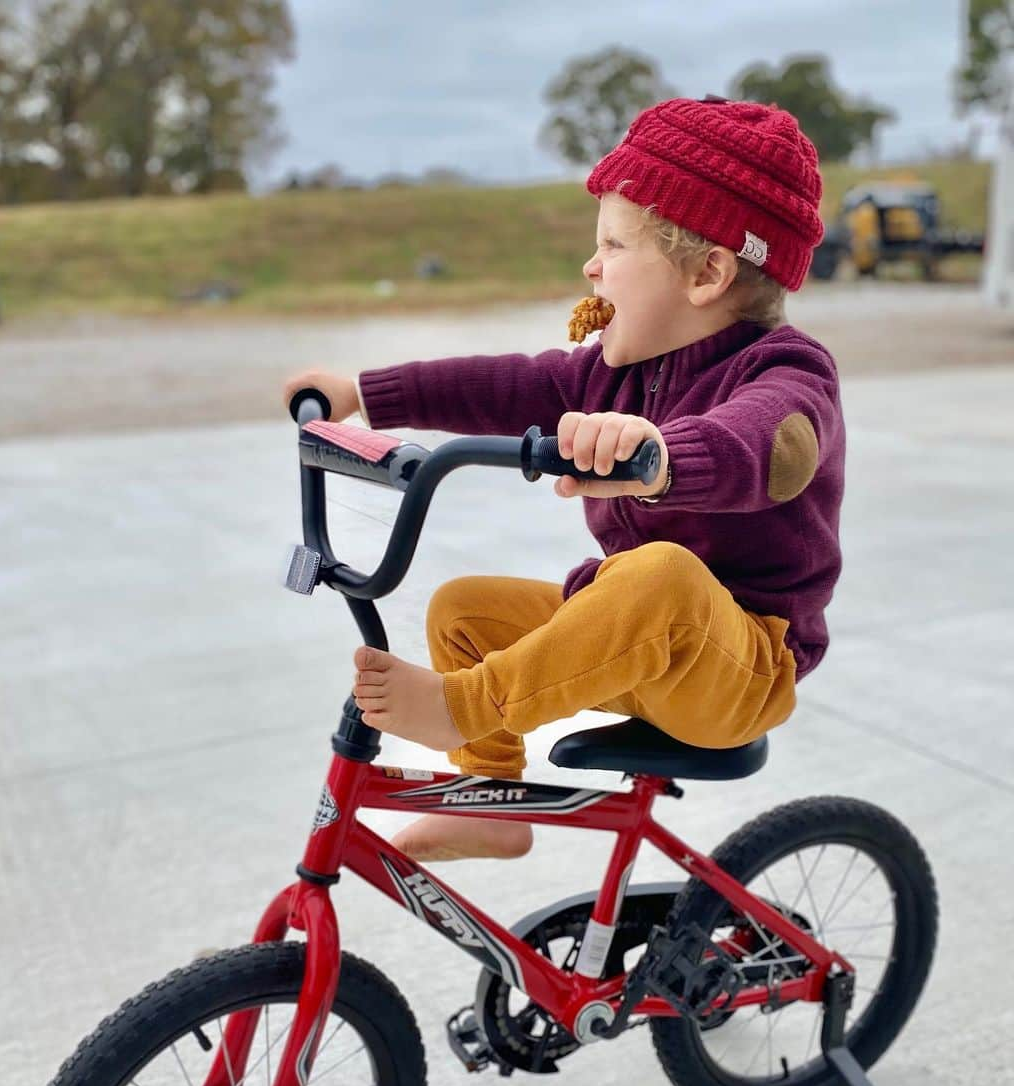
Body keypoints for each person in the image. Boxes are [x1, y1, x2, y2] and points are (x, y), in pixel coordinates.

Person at [282, 97, 845, 863]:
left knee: (661, 576)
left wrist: (661, 455)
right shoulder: (615, 372)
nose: (591, 266)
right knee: (463, 612)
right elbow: (508, 384)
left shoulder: (788, 372)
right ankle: (489, 797)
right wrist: (366, 393)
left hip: (738, 667)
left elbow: (772, 445)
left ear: (708, 272)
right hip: (635, 642)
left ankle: (465, 710)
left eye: (613, 244)